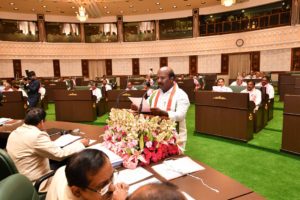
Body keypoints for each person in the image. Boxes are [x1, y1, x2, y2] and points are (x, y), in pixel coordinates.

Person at [6, 108, 89, 191]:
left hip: (20, 180)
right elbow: (59, 155)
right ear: (42, 122)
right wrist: (80, 144)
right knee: (74, 171)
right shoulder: (37, 136)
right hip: (37, 182)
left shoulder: (14, 133)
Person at [46, 149, 128, 200]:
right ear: (76, 191)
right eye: (102, 186)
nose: (113, 188)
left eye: (112, 176)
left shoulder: (63, 170)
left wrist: (106, 186)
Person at [144, 67, 190, 148]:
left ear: (172, 78)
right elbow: (146, 106)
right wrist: (138, 106)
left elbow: (181, 115)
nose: (158, 81)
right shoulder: (155, 93)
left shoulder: (181, 94)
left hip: (175, 138)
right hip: (155, 137)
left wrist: (164, 113)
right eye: (157, 78)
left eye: (162, 78)